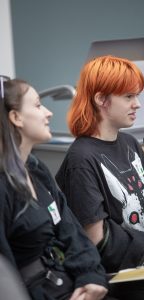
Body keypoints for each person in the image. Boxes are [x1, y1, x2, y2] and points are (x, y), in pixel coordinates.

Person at [55, 55, 144, 299]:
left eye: (137, 96)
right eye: (128, 96)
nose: (138, 104)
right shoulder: (81, 160)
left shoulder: (130, 143)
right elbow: (97, 243)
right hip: (124, 271)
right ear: (101, 99)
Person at [0, 76, 109, 300]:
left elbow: (71, 230)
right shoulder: (3, 187)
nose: (48, 113)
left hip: (69, 284)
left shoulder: (36, 169)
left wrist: (90, 276)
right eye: (38, 105)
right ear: (15, 117)